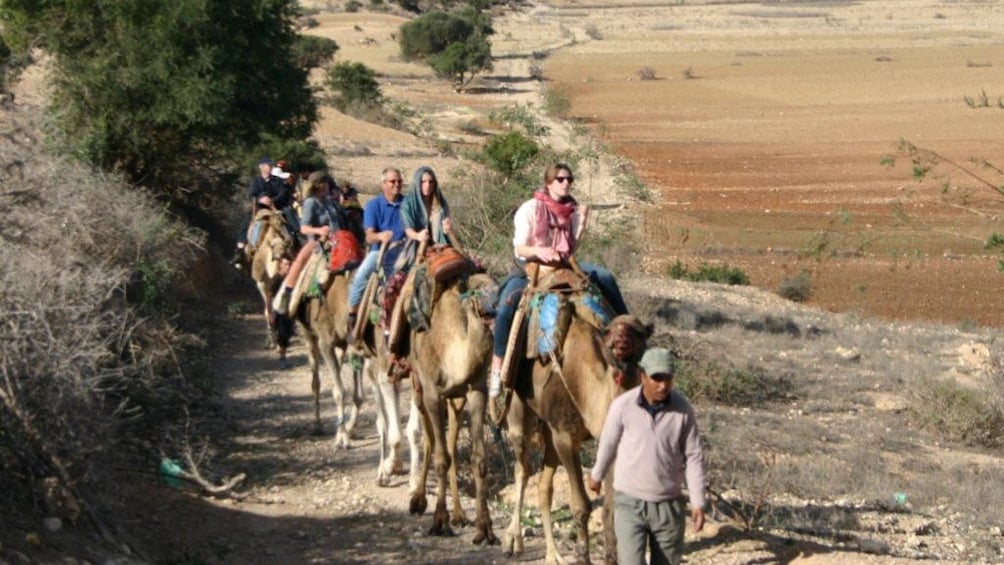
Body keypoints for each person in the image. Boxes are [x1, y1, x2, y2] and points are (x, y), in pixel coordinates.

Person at [489, 163, 630, 397]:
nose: (566, 183)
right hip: (534, 267)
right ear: (549, 182)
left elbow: (571, 247)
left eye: (569, 179)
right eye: (561, 179)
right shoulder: (530, 208)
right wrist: (539, 252)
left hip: (564, 264)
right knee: (506, 306)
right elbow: (519, 248)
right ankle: (497, 368)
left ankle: (627, 334)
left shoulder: (572, 210)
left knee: (605, 277)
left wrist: (582, 223)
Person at [587, 347, 707, 565]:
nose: (663, 385)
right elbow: (608, 442)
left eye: (667, 378)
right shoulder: (623, 406)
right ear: (642, 376)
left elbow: (694, 457)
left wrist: (698, 502)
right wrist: (597, 474)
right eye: (656, 378)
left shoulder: (683, 410)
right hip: (629, 503)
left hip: (668, 506)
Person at [346, 168, 407, 336]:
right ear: (383, 184)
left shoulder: (408, 203)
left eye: (399, 181)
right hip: (381, 251)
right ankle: (352, 314)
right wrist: (381, 236)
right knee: (362, 275)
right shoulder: (373, 205)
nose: (397, 185)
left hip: (406, 249)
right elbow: (369, 237)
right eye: (392, 182)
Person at [273, 171, 343, 315]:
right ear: (318, 185)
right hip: (318, 242)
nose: (328, 186)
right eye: (325, 183)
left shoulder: (330, 203)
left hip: (338, 241)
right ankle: (287, 293)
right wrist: (319, 230)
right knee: (300, 260)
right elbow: (304, 228)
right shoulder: (311, 202)